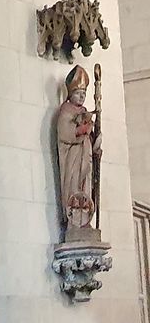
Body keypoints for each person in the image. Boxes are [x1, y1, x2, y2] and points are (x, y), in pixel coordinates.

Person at [56, 65, 100, 238]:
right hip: (72, 161)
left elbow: (92, 137)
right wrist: (82, 130)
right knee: (74, 189)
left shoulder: (86, 113)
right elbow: (64, 134)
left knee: (87, 188)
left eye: (84, 93)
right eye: (78, 92)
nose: (82, 96)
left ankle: (85, 221)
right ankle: (74, 223)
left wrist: (97, 142)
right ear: (70, 93)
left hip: (86, 159)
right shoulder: (65, 112)